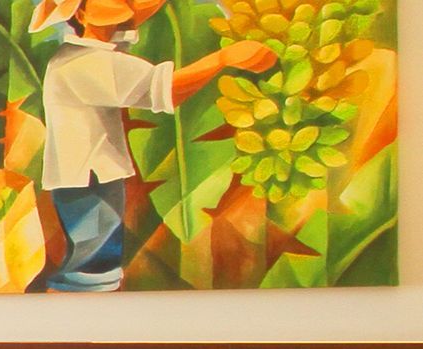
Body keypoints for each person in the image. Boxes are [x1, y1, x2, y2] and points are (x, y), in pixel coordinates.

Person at [32, 0, 274, 290]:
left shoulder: (79, 56)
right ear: (80, 14)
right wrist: (223, 58)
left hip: (89, 173)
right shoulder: (85, 63)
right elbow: (163, 90)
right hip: (89, 176)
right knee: (95, 266)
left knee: (95, 256)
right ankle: (83, 301)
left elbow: (129, 28)